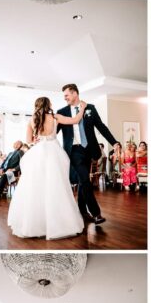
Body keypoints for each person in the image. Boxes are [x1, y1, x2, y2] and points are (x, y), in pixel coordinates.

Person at [8, 96, 88, 238]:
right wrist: (82, 109)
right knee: (56, 186)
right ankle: (58, 223)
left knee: (36, 187)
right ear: (48, 104)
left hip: (38, 153)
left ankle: (35, 224)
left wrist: (37, 138)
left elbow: (28, 141)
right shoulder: (55, 117)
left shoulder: (32, 119)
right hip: (53, 152)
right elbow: (75, 120)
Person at [57, 83, 118, 224]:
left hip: (89, 150)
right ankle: (96, 213)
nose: (65, 98)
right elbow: (54, 132)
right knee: (85, 180)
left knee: (83, 180)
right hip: (74, 151)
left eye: (66, 95)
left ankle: (82, 211)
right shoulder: (62, 112)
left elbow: (101, 127)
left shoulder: (90, 108)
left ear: (75, 93)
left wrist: (114, 142)